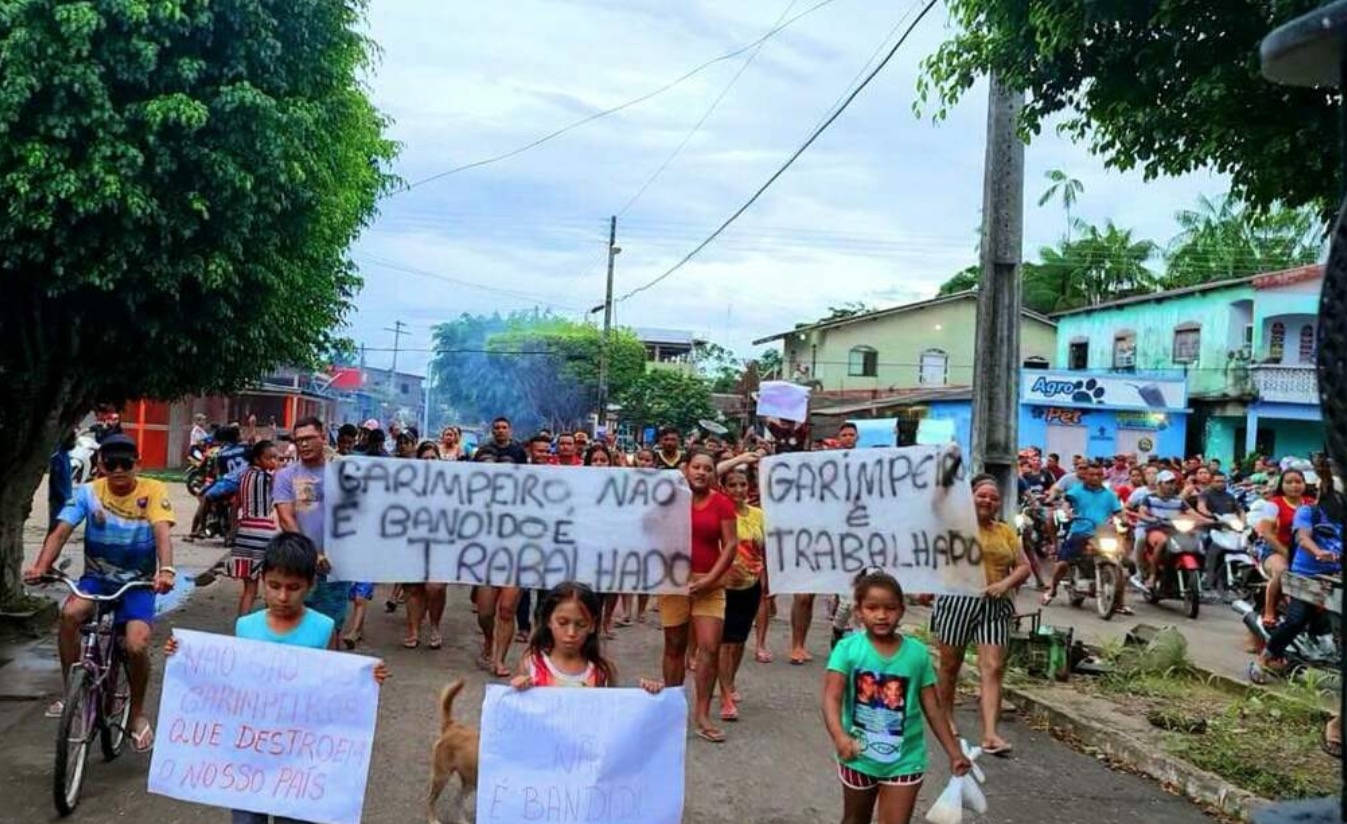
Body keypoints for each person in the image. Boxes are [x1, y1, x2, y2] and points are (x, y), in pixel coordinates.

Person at [163, 532, 388, 824]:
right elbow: (228, 682)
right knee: (247, 820)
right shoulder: (246, 626)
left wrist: (366, 678)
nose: (283, 596)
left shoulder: (323, 627)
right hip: (249, 753)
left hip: (299, 755)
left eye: (294, 588)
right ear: (263, 581)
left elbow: (335, 678)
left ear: (310, 585)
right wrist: (183, 657)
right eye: (274, 586)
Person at [23, 434, 175, 751]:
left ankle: (136, 715)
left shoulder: (153, 490)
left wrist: (167, 570)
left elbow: (162, 532)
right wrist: (41, 566)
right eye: (111, 463)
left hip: (138, 585)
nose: (119, 470)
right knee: (69, 615)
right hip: (95, 580)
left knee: (135, 645)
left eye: (126, 463)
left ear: (138, 464)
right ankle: (72, 693)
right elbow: (61, 530)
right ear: (100, 465)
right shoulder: (88, 493)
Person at [822, 570, 970, 824]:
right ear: (858, 611)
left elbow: (933, 708)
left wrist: (954, 751)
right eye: (872, 608)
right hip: (858, 759)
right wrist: (839, 737)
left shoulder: (917, 654)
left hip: (905, 760)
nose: (881, 615)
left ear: (901, 610)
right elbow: (831, 699)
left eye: (890, 608)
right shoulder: (847, 650)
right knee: (855, 819)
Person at [933, 475, 1032, 755]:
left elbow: (1023, 566)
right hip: (956, 601)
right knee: (950, 666)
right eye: (982, 495)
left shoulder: (1005, 532)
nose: (988, 501)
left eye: (993, 497)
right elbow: (934, 508)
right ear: (970, 497)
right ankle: (947, 719)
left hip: (995, 605)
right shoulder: (955, 526)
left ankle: (990, 734)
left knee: (993, 667)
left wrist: (1005, 584)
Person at [660, 450, 737, 742]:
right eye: (697, 467)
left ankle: (702, 714)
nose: (702, 472)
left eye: (708, 468)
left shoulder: (722, 504)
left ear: (714, 473)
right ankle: (670, 711)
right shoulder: (668, 499)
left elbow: (729, 546)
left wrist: (711, 579)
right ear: (685, 469)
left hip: (710, 584)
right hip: (673, 583)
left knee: (709, 646)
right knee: (674, 647)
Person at [1253, 485, 1343, 682]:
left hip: (1335, 577)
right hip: (1306, 577)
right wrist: (1318, 552)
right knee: (1296, 619)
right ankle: (1264, 658)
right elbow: (1303, 538)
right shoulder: (1308, 512)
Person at [510, 582, 662, 693]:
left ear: (592, 625)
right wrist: (518, 689)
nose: (571, 632)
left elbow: (613, 715)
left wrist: (649, 695)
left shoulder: (602, 672)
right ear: (548, 620)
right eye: (562, 623)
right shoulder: (533, 665)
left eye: (581, 624)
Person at [273, 416, 346, 640]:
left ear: (323, 437)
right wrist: (311, 553)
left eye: (310, 438)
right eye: (299, 440)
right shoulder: (287, 476)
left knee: (331, 626)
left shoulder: (343, 473)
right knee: (294, 623)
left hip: (337, 565)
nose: (304, 444)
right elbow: (286, 519)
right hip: (299, 564)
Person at [715, 467, 765, 722]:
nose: (738, 490)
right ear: (723, 487)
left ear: (749, 487)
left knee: (739, 641)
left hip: (751, 586)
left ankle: (730, 682)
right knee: (724, 643)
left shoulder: (759, 516)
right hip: (723, 589)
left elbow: (765, 550)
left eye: (742, 485)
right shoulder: (719, 513)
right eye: (732, 485)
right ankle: (724, 695)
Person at [389, 440, 449, 651]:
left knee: (436, 587)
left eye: (434, 458)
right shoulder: (407, 484)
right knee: (413, 587)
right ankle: (413, 630)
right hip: (412, 541)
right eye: (426, 458)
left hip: (441, 543)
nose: (430, 462)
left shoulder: (450, 483)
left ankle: (434, 626)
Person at [1044, 463, 1124, 608]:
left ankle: (1120, 604)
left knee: (1119, 566)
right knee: (1062, 564)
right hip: (1080, 531)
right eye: (1092, 474)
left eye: (1099, 475)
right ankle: (1052, 589)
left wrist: (1125, 521)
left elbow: (1119, 512)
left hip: (1102, 533)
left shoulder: (1109, 495)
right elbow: (1067, 503)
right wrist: (1068, 512)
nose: (1095, 477)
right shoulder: (1077, 491)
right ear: (1085, 476)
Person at [1253, 468, 1313, 629]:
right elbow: (1266, 532)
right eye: (1289, 482)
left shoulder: (1312, 503)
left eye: (1298, 482)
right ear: (1282, 484)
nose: (1294, 486)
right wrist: (1284, 552)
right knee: (1281, 571)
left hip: (1304, 552)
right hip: (1275, 550)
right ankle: (1269, 611)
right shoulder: (1274, 504)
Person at [231, 439, 280, 616]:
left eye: (276, 458)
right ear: (258, 459)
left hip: (244, 532)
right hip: (265, 532)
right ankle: (270, 627)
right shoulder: (269, 478)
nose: (274, 462)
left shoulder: (243, 476)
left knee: (249, 590)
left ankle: (241, 627)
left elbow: (236, 503)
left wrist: (233, 528)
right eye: (270, 458)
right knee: (272, 584)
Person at [48, 429, 76, 534]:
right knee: (55, 530)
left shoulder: (65, 455)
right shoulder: (58, 456)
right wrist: (66, 498)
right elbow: (58, 481)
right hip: (59, 500)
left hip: (63, 499)